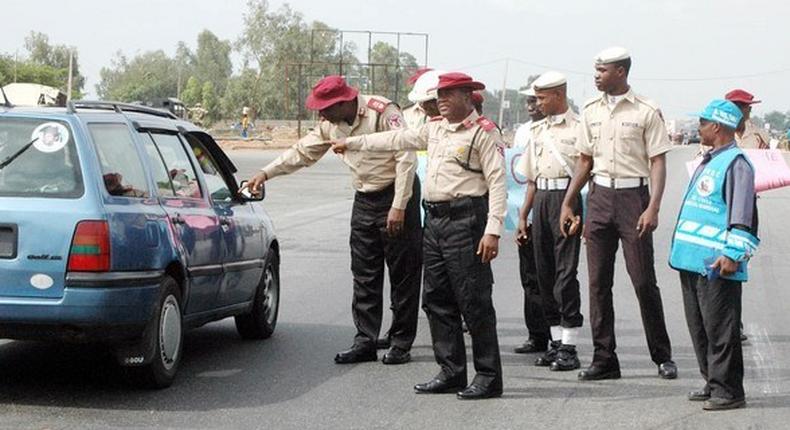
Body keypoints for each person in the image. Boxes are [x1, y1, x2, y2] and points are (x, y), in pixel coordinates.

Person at [332, 72, 507, 400]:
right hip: (435, 220)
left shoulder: (483, 132)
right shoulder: (436, 127)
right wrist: (352, 143)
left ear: (468, 96)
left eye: (448, 94)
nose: (440, 100)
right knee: (437, 300)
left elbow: (497, 183)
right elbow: (395, 140)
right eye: (439, 94)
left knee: (473, 301)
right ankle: (452, 371)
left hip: (466, 220)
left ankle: (488, 376)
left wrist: (493, 230)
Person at [246, 75, 422, 366]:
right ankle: (365, 341)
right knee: (364, 273)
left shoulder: (383, 111)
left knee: (403, 273)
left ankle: (400, 342)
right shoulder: (331, 124)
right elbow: (302, 152)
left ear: (343, 102)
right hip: (365, 198)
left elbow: (406, 156)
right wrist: (266, 173)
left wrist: (399, 205)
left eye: (325, 108)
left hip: (397, 194)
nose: (320, 114)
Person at [559, 47, 677, 381]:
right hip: (598, 196)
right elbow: (584, 160)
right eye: (595, 69)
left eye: (602, 70)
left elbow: (657, 160)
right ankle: (604, 358)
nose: (596, 75)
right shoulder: (591, 111)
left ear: (621, 72)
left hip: (633, 198)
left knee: (642, 281)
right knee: (598, 283)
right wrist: (570, 201)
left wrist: (653, 206)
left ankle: (662, 356)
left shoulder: (646, 110)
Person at [669, 99, 758, 411]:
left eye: (703, 122)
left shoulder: (736, 163)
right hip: (692, 261)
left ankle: (729, 390)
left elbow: (742, 215)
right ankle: (712, 380)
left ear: (717, 126)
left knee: (722, 330)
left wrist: (733, 254)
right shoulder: (710, 159)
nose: (699, 127)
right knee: (701, 328)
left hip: (718, 263)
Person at [518, 71, 583, 371]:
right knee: (544, 275)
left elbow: (588, 173)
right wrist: (523, 215)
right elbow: (531, 179)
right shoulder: (537, 130)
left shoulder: (580, 127)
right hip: (542, 200)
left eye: (542, 97)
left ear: (558, 95)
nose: (538, 103)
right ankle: (556, 342)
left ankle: (570, 346)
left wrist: (581, 212)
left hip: (567, 202)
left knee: (565, 275)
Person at [377, 69, 444, 350]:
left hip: (439, 200)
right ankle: (397, 330)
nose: (424, 107)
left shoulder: (452, 122)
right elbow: (394, 145)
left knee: (430, 273)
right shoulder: (405, 115)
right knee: (404, 265)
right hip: (408, 199)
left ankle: (436, 326)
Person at [512, 84, 553, 355]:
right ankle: (536, 335)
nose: (530, 106)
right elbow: (516, 175)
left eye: (535, 100)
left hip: (554, 206)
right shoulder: (523, 132)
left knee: (553, 275)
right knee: (530, 276)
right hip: (526, 207)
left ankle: (558, 337)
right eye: (528, 101)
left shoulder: (566, 129)